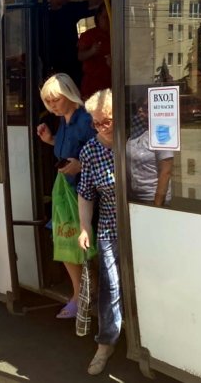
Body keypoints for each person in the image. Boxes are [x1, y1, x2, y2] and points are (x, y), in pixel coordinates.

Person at [36, 73, 96, 319]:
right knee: (65, 240)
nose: (51, 106)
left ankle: (84, 295)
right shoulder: (64, 120)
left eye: (55, 100)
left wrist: (81, 166)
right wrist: (50, 140)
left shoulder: (86, 120)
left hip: (85, 191)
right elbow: (68, 149)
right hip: (66, 190)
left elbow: (101, 152)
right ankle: (79, 293)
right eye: (48, 101)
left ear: (70, 95)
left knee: (79, 243)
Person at [77, 88, 119, 376]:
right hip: (109, 226)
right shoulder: (90, 150)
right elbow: (85, 193)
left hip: (145, 223)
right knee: (111, 287)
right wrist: (83, 227)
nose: (101, 128)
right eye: (96, 123)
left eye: (106, 121)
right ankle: (105, 344)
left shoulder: (137, 135)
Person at [126, 102, 173, 206]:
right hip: (133, 197)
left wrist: (157, 205)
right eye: (140, 106)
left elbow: (166, 172)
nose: (140, 110)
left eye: (145, 107)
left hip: (152, 199)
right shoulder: (136, 130)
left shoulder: (161, 133)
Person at [47, 0, 93, 86]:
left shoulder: (70, 9)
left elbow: (92, 3)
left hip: (72, 65)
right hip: (50, 67)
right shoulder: (40, 13)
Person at [77, 7, 112, 100]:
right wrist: (92, 51)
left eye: (111, 16)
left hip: (113, 84)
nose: (109, 20)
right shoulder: (89, 35)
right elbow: (80, 56)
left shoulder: (119, 34)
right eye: (105, 17)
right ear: (98, 17)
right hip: (93, 86)